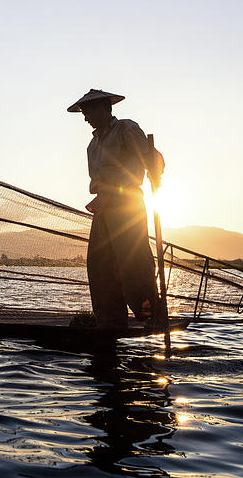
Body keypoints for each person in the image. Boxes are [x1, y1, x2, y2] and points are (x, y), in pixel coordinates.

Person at [67, 89, 163, 329]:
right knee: (99, 264)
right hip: (103, 206)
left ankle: (151, 314)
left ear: (105, 109)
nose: (86, 117)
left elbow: (151, 159)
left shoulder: (126, 130)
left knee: (133, 261)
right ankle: (110, 320)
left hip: (126, 203)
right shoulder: (93, 144)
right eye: (84, 113)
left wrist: (154, 171)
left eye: (89, 111)